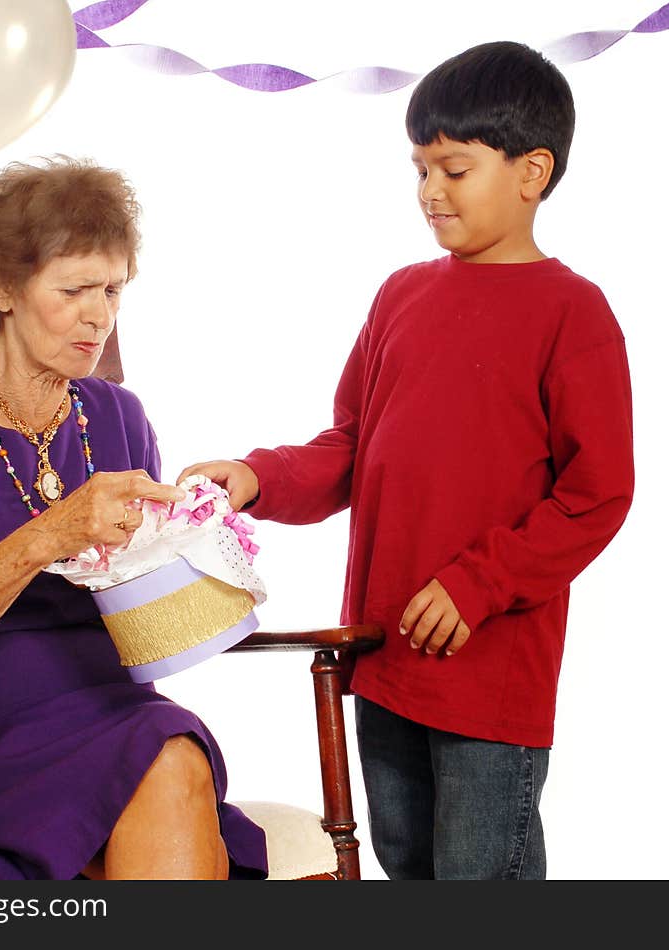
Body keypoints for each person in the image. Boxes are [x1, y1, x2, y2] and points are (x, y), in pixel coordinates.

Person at [179, 41, 634, 879]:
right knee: (405, 866)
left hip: (489, 675)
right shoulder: (401, 294)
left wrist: (479, 583)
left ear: (532, 172)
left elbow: (597, 495)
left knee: (479, 877)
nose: (430, 192)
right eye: (420, 170)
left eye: (454, 170)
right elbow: (350, 445)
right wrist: (257, 478)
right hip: (384, 657)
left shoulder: (574, 313)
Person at [0, 156, 268, 881]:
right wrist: (51, 533)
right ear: (4, 287)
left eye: (112, 289)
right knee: (168, 760)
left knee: (167, 756)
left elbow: (140, 612)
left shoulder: (118, 416)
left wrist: (200, 549)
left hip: (111, 711)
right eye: (73, 289)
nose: (99, 314)